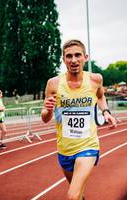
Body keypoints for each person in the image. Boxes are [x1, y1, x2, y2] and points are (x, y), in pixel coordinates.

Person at [41, 39, 117, 200]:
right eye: (69, 56)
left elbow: (101, 97)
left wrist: (106, 112)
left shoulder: (95, 80)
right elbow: (45, 118)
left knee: (72, 195)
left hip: (88, 146)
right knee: (79, 195)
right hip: (64, 149)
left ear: (85, 57)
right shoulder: (53, 83)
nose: (73, 60)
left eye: (77, 55)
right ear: (63, 59)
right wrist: (47, 109)